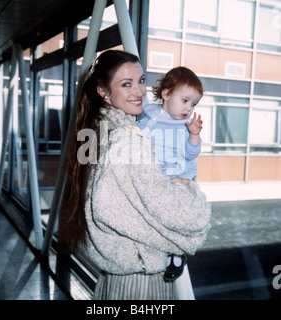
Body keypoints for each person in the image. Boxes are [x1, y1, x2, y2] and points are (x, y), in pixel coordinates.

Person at [58, 50, 211, 300]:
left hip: (117, 273)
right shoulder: (130, 142)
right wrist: (188, 190)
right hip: (141, 279)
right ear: (103, 92)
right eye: (126, 84)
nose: (139, 92)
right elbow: (185, 219)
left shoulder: (97, 131)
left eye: (141, 81)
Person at [137, 66, 204, 281]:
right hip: (158, 175)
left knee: (179, 214)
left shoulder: (185, 125)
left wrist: (194, 136)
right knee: (158, 214)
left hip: (180, 174)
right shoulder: (151, 118)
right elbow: (137, 142)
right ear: (166, 94)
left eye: (193, 104)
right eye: (185, 100)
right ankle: (167, 249)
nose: (189, 108)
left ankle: (177, 251)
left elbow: (190, 154)